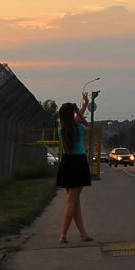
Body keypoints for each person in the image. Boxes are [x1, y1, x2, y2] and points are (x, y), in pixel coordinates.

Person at [55, 92, 95, 243]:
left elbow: (74, 121)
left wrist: (84, 106)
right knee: (72, 201)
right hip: (78, 163)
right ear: (72, 114)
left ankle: (83, 234)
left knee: (75, 201)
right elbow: (87, 126)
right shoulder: (79, 128)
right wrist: (80, 111)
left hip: (66, 163)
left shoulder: (61, 129)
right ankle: (63, 235)